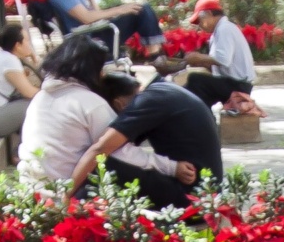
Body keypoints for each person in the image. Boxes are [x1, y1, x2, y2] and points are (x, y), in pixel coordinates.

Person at [68, 69, 219, 208]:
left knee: (103, 163)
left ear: (118, 104)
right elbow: (128, 151)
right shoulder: (163, 89)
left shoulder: (146, 102)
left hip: (191, 196)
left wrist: (67, 193)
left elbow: (101, 148)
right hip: (204, 191)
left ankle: (70, 214)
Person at [21, 29, 135, 185]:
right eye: (100, 68)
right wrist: (170, 166)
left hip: (30, 189)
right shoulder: (90, 103)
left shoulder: (39, 98)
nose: (102, 75)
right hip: (68, 193)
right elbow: (123, 153)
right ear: (90, 69)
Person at [180, 0, 260, 115]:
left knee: (196, 80)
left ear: (208, 14)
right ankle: (202, 120)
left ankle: (203, 121)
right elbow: (221, 64)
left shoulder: (224, 29)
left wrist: (198, 57)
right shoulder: (221, 30)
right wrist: (199, 61)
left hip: (238, 85)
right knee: (194, 90)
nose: (200, 25)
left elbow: (223, 59)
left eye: (200, 21)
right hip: (234, 83)